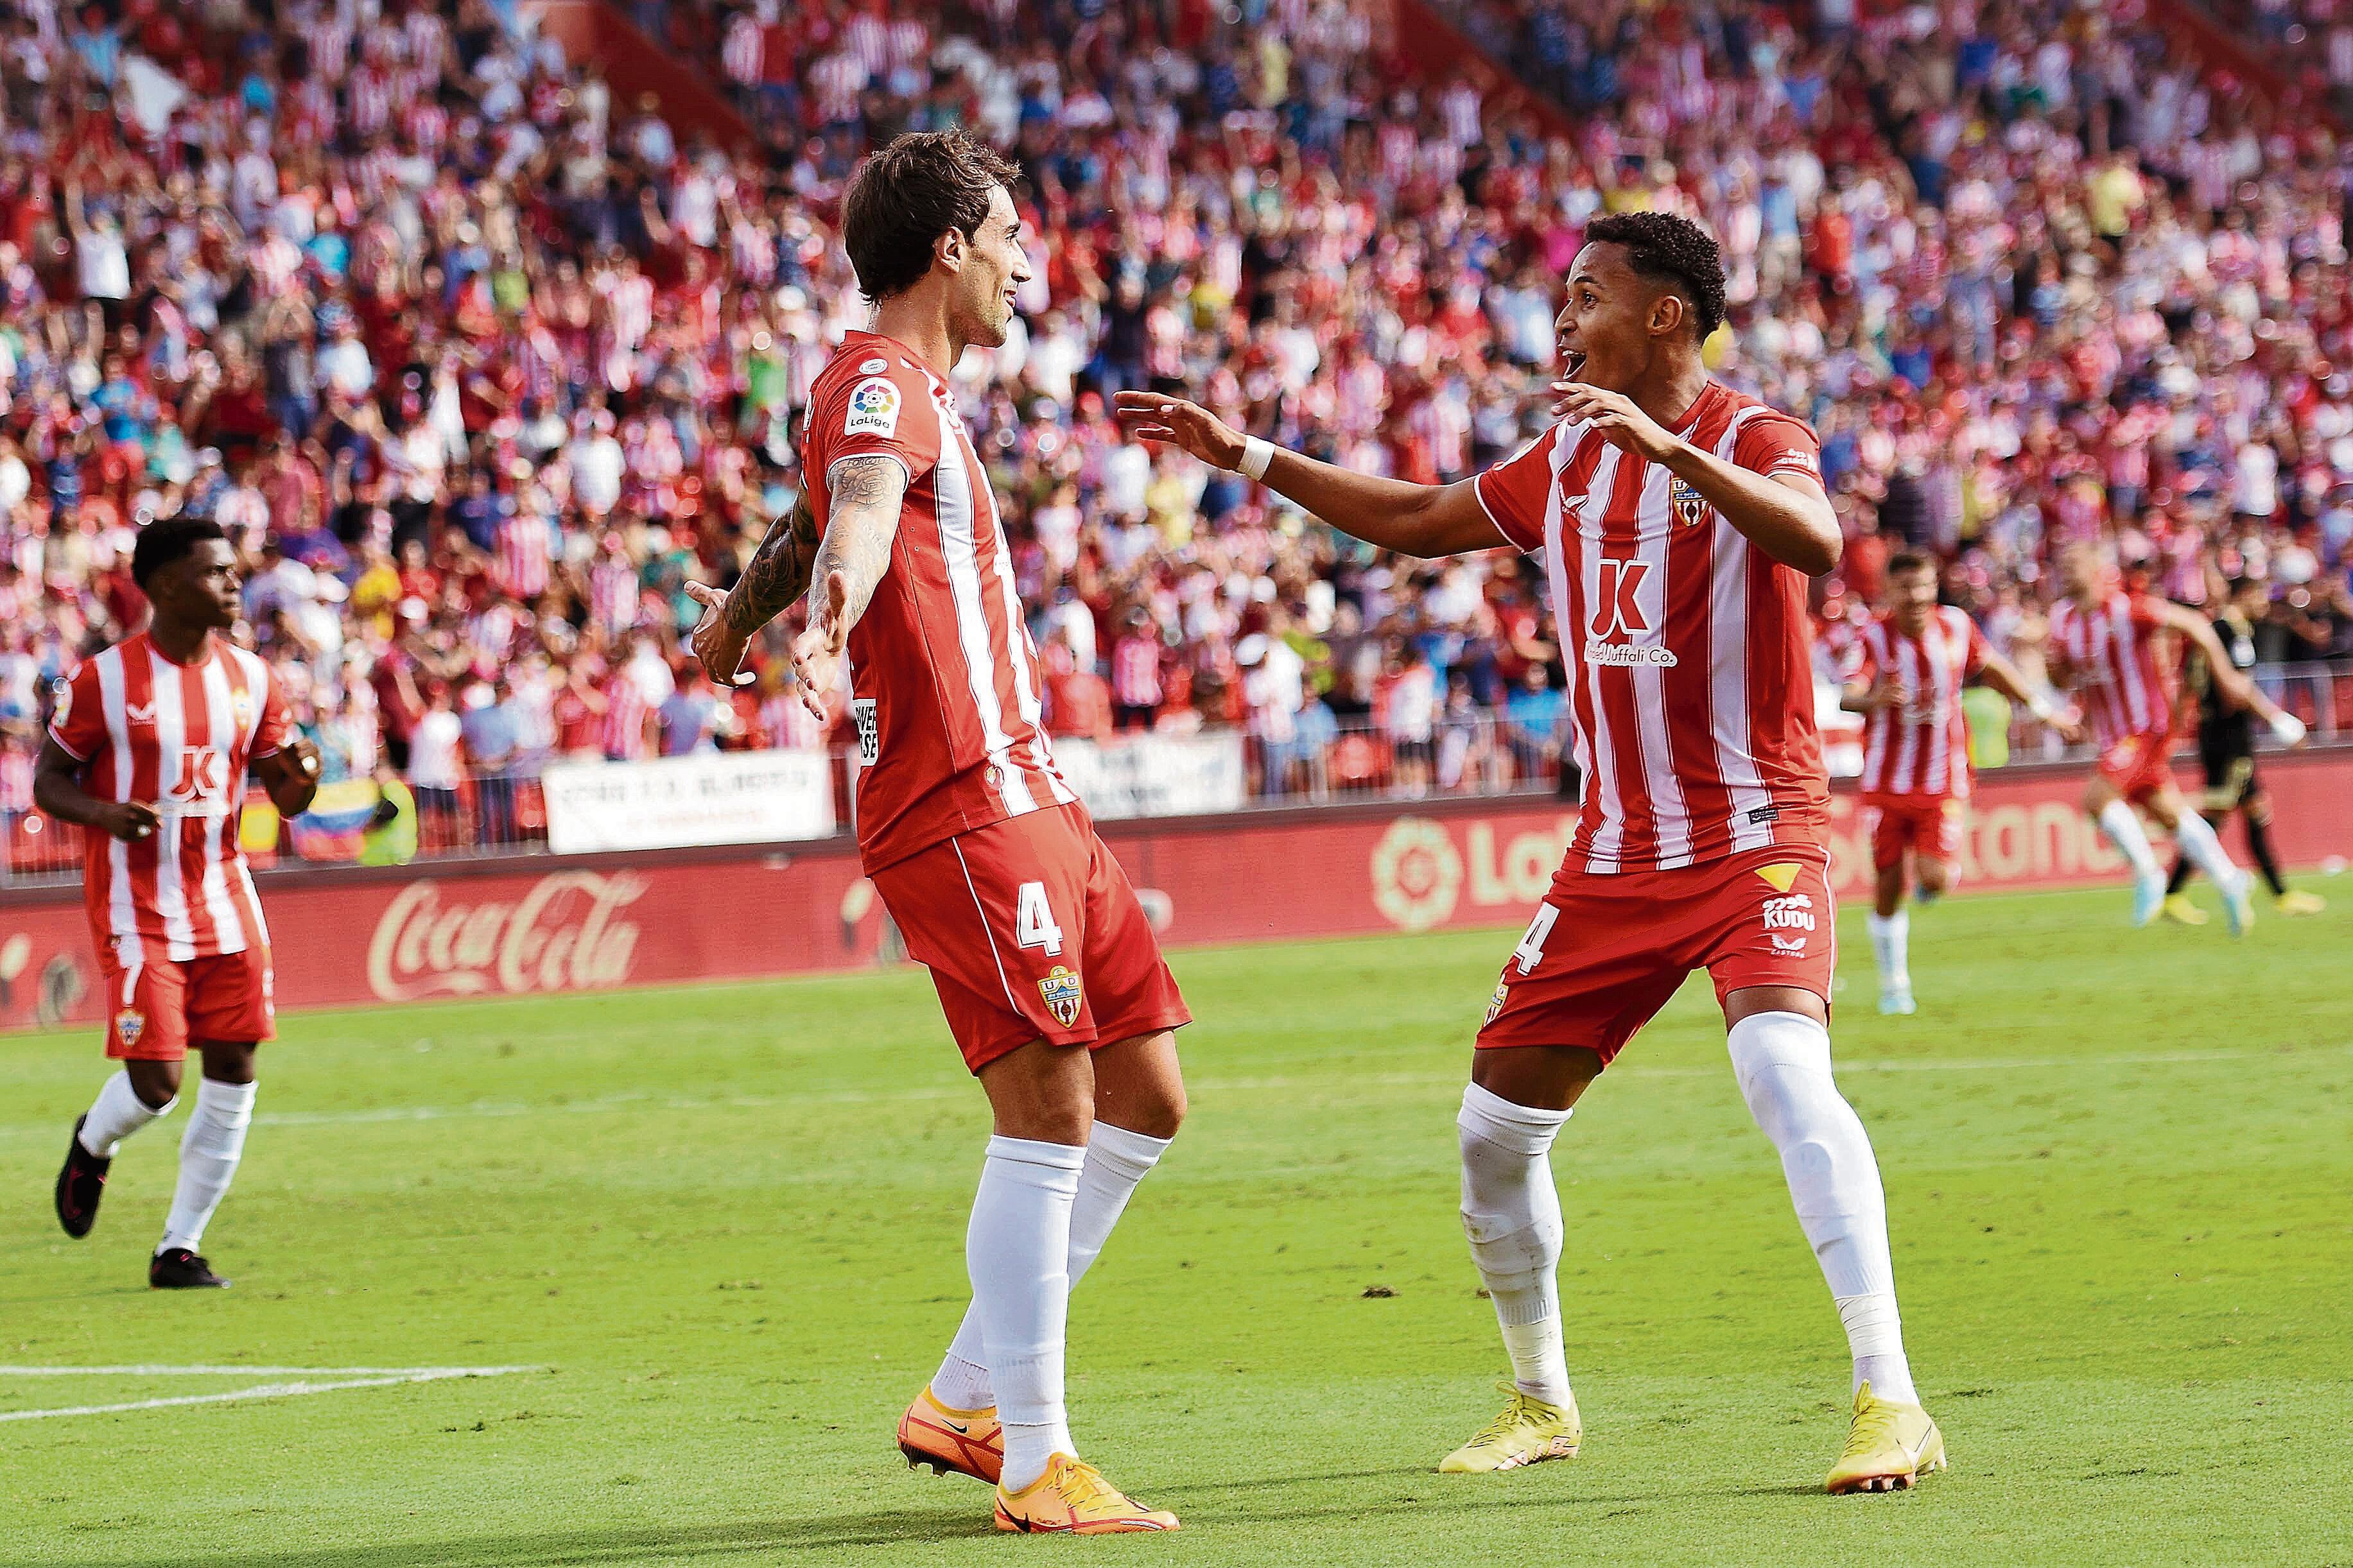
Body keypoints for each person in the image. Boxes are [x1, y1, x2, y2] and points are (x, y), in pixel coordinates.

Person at [1121, 211, 1943, 1494]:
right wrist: (1256, 457)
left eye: (1586, 294)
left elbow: (1816, 542)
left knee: (1782, 1071)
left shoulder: (1751, 434)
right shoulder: (1566, 453)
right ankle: (1539, 1401)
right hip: (1614, 855)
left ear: (1664, 315)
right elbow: (1419, 518)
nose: (1560, 318)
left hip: (1751, 835)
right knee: (1491, 1135)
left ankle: (1888, 1397)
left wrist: (1668, 448)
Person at [683, 131, 1189, 1535]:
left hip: (1032, 792)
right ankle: (1033, 1460)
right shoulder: (880, 379)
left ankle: (966, 1393)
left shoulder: (893, 398)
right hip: (955, 795)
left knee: (1145, 1095)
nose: (1029, 261)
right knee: (1048, 1112)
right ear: (949, 248)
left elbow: (812, 516)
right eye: (1012, 235)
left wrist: (736, 614)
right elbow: (846, 517)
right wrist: (828, 617)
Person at [37, 516, 321, 1289]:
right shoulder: (104, 680)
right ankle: (93, 1144)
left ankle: (180, 1247)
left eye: (234, 572)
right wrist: (103, 813)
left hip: (227, 899)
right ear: (163, 584)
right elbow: (47, 781)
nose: (234, 584)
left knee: (234, 1069)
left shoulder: (253, 678)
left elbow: (288, 796)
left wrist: (305, 772)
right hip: (137, 910)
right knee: (157, 1081)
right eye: (215, 572)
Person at [1840, 553, 2082, 1014]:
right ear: (1890, 593)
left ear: (1935, 587)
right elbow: (1849, 694)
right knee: (1887, 885)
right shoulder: (1872, 637)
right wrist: (1873, 699)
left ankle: (1930, 885)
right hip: (1885, 781)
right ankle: (1894, 985)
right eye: (1906, 588)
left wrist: (2042, 707)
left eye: (1924, 586)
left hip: (1942, 777)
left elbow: (1991, 668)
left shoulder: (1955, 626)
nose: (1916, 596)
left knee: (1935, 876)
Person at [2045, 542, 2303, 936]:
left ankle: (2148, 873)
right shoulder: (2062, 620)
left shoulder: (2129, 608)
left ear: (2097, 567)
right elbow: (2063, 679)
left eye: (2075, 560)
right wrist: (2055, 671)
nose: (2067, 569)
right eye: (2062, 563)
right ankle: (2230, 880)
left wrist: (2225, 674)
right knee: (2170, 813)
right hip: (2113, 735)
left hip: (2147, 726)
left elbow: (2195, 625)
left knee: (2097, 799)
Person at [2160, 576, 2322, 923]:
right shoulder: (2234, 632)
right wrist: (2281, 721)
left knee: (2255, 809)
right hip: (2229, 736)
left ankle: (2281, 894)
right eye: (2261, 595)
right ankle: (2171, 894)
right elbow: (2237, 691)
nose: (2265, 604)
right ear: (2245, 595)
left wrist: (2175, 726)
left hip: (2215, 733)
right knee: (2217, 814)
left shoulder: (2213, 631)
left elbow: (2190, 685)